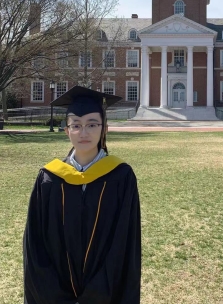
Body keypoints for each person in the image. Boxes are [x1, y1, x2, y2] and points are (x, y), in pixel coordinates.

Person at [23, 86, 141, 304]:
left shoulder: (121, 177)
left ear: (104, 129)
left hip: (107, 295)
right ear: (67, 130)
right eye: (76, 125)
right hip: (54, 296)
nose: (83, 132)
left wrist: (96, 297)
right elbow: (35, 246)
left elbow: (124, 244)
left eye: (92, 124)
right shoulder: (48, 179)